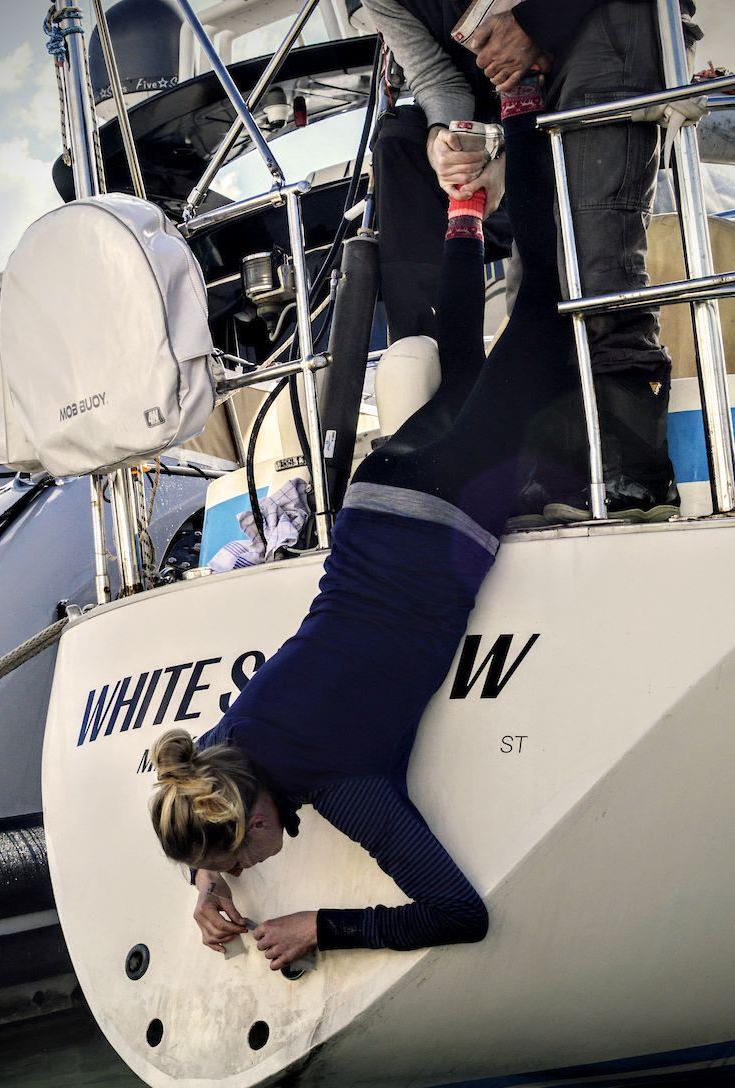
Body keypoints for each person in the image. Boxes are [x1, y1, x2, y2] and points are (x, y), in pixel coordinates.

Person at [150, 74, 574, 970]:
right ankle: (462, 203)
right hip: (376, 499)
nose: (267, 864)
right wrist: (208, 878)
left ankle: (525, 108)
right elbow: (209, 787)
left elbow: (460, 914)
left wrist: (325, 926)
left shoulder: (351, 787)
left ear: (257, 814)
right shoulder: (233, 738)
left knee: (546, 316)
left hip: (450, 515)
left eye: (249, 855)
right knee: (458, 373)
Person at [469, 0, 702, 522]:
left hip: (607, 24)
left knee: (599, 266)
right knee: (533, 288)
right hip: (544, 53)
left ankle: (636, 473)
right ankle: (563, 473)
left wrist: (533, 24)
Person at [363, 0, 512, 377]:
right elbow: (433, 75)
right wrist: (439, 141)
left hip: (553, 108)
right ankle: (424, 361)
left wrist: (510, 163)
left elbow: (553, 55)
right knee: (396, 140)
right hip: (480, 125)